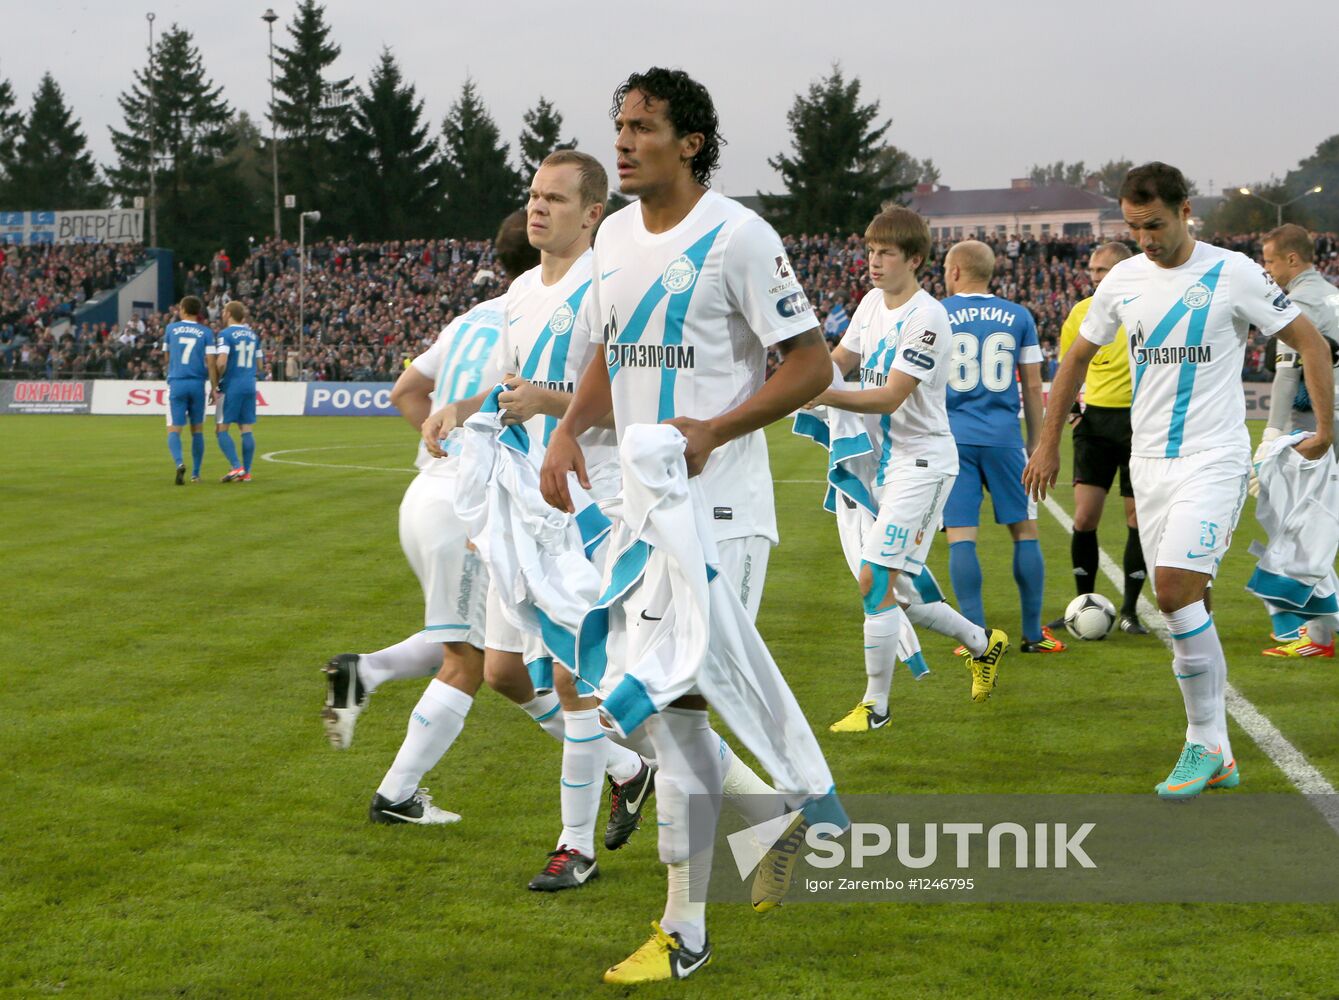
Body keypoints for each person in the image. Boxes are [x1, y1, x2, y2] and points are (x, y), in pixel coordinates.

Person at [540, 67, 836, 983]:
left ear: (691, 143)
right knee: (649, 714)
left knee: (669, 710)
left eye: (642, 128)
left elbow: (811, 364)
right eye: (619, 126)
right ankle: (776, 824)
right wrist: (565, 431)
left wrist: (716, 427)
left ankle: (685, 930)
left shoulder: (739, 236)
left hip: (719, 513)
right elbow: (610, 354)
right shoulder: (615, 235)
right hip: (639, 517)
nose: (623, 142)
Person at [1023, 162, 1335, 800]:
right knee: (1193, 601)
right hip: (1149, 463)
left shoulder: (1234, 272)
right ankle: (1218, 750)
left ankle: (1201, 742)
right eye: (1135, 226)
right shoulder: (1123, 281)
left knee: (1171, 592)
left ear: (1185, 210)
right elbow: (1075, 358)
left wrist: (1325, 430)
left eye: (1156, 225)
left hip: (1214, 459)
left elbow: (1313, 343)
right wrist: (1049, 439)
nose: (1146, 238)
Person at [321, 211, 538, 814]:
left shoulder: (471, 317)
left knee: (481, 634)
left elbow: (405, 392)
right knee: (471, 660)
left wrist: (444, 440)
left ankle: (364, 672)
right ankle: (396, 794)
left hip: (424, 496)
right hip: (464, 505)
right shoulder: (539, 318)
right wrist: (470, 457)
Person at [816, 218, 1010, 722]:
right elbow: (838, 361)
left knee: (874, 578)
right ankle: (982, 643)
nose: (874, 263)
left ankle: (874, 706)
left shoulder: (928, 318)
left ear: (916, 260)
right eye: (871, 252)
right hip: (887, 463)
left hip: (923, 464)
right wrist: (803, 377)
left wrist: (820, 393)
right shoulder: (868, 304)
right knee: (899, 593)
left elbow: (888, 395)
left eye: (885, 253)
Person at [940, 239, 1062, 654]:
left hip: (952, 438)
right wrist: (1038, 443)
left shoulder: (936, 312)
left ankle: (975, 636)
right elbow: (1031, 384)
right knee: (1025, 531)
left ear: (955, 271)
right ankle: (1032, 635)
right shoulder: (1018, 315)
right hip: (1005, 438)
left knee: (960, 537)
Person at [1049, 240, 1150, 635]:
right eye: (1092, 271)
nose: (1094, 278)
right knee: (1085, 516)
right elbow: (1068, 368)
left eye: (1102, 271)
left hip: (1140, 423)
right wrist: (1074, 416)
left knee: (1136, 518)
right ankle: (1082, 604)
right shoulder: (1080, 313)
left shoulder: (1146, 308)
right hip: (1095, 426)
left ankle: (1129, 611)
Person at [1255, 222, 1339, 656]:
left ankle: (1316, 630)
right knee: (1316, 524)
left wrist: (1272, 434)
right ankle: (1318, 634)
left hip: (1318, 424)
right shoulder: (1333, 293)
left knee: (1297, 526)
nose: (1265, 269)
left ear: (1292, 259)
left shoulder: (1299, 301)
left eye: (1269, 260)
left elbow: (1289, 370)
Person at [162, 296, 216, 484]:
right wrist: (214, 387)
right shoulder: (206, 332)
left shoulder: (170, 329)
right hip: (197, 384)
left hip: (177, 382)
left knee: (174, 430)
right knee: (197, 431)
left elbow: (166, 358)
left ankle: (179, 463)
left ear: (183, 309)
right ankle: (196, 473)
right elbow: (211, 362)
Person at [212, 301, 262, 483]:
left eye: (224, 311)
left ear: (229, 314)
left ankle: (236, 467)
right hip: (249, 384)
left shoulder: (225, 334)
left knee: (220, 429)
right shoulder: (253, 336)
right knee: (246, 428)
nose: (223, 314)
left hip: (231, 385)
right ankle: (246, 473)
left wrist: (216, 379)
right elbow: (260, 365)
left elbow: (222, 361)